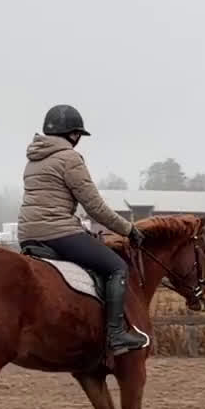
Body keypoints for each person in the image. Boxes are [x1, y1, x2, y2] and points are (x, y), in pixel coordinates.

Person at [17, 104, 151, 355]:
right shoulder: (70, 158)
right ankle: (116, 334)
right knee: (116, 267)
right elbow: (95, 207)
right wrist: (128, 229)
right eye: (78, 135)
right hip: (57, 233)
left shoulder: (33, 159)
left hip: (27, 234)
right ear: (73, 134)